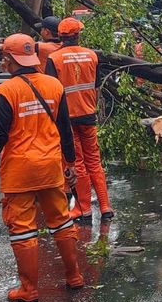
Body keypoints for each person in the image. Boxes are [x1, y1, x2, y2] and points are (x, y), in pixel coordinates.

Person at [0, 34, 82, 302]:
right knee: (61, 221)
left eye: (4, 57)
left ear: (9, 59)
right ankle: (74, 276)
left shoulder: (7, 91)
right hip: (50, 167)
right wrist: (70, 163)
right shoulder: (54, 86)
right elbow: (65, 129)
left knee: (24, 230)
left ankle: (29, 289)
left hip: (20, 171)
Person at [46, 17, 112, 226]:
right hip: (88, 115)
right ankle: (105, 207)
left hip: (67, 119)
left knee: (77, 163)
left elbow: (51, 91)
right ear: (78, 35)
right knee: (94, 161)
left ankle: (83, 209)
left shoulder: (54, 59)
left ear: (60, 36)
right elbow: (97, 86)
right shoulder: (91, 55)